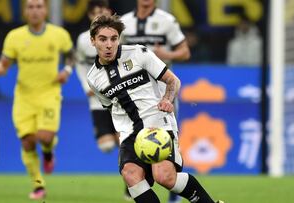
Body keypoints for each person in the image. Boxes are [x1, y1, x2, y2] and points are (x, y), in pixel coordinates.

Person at [87, 14, 223, 203]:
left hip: (158, 124)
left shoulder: (138, 53)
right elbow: (110, 107)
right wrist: (120, 131)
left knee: (165, 177)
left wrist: (167, 99)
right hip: (130, 133)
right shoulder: (93, 78)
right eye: (103, 39)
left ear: (119, 39)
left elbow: (172, 81)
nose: (109, 45)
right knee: (130, 175)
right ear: (93, 41)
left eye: (114, 38)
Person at [0, 0, 75, 200]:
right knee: (28, 142)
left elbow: (71, 55)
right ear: (25, 11)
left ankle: (48, 153)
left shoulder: (59, 34)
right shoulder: (14, 37)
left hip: (49, 93)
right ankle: (38, 185)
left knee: (45, 137)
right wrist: (0, 68)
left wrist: (67, 70)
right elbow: (5, 62)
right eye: (31, 7)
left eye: (39, 6)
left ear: (45, 10)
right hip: (24, 97)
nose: (35, 11)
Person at [120, 1, 191, 202]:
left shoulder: (166, 21)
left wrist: (165, 55)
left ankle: (172, 184)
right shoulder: (124, 22)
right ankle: (137, 179)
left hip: (162, 92)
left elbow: (185, 52)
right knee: (129, 138)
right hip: (133, 94)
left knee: (166, 138)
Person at [75, 0, 131, 200]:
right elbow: (80, 64)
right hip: (96, 100)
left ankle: (131, 181)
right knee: (107, 145)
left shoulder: (118, 37)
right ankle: (133, 164)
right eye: (95, 12)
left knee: (123, 142)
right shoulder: (83, 40)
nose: (99, 16)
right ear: (90, 15)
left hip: (118, 98)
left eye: (103, 12)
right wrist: (86, 86)